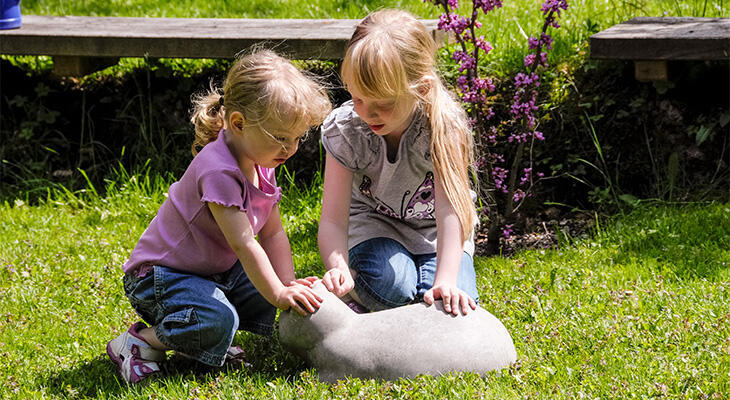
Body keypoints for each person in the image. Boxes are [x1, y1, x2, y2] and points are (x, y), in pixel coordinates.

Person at [107, 50, 332, 384]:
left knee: (275, 292)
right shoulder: (218, 170)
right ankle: (141, 342)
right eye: (281, 138)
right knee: (218, 317)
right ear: (239, 123)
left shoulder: (262, 160)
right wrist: (279, 293)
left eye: (297, 138)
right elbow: (244, 244)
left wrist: (287, 285)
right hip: (160, 278)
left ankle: (202, 341)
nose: (291, 148)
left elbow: (272, 235)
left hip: (214, 273)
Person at [318, 9, 480, 317]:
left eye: (384, 103)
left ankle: (411, 300)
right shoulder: (347, 130)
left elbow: (450, 210)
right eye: (358, 98)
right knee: (387, 284)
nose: (368, 113)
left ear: (421, 88)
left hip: (436, 235)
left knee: (454, 303)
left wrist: (445, 280)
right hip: (376, 228)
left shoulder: (442, 129)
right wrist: (338, 267)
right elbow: (333, 220)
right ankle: (400, 299)